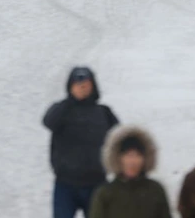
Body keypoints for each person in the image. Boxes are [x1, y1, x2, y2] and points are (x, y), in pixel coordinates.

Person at [43, 66, 120, 218]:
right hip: (65, 185)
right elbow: (48, 122)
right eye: (77, 83)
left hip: (97, 184)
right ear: (70, 86)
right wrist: (70, 100)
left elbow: (120, 141)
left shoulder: (104, 112)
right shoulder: (61, 110)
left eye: (86, 83)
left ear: (93, 85)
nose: (82, 87)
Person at [88, 126, 172, 218]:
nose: (133, 161)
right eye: (128, 155)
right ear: (118, 158)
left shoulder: (156, 190)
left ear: (145, 159)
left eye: (138, 155)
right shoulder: (105, 193)